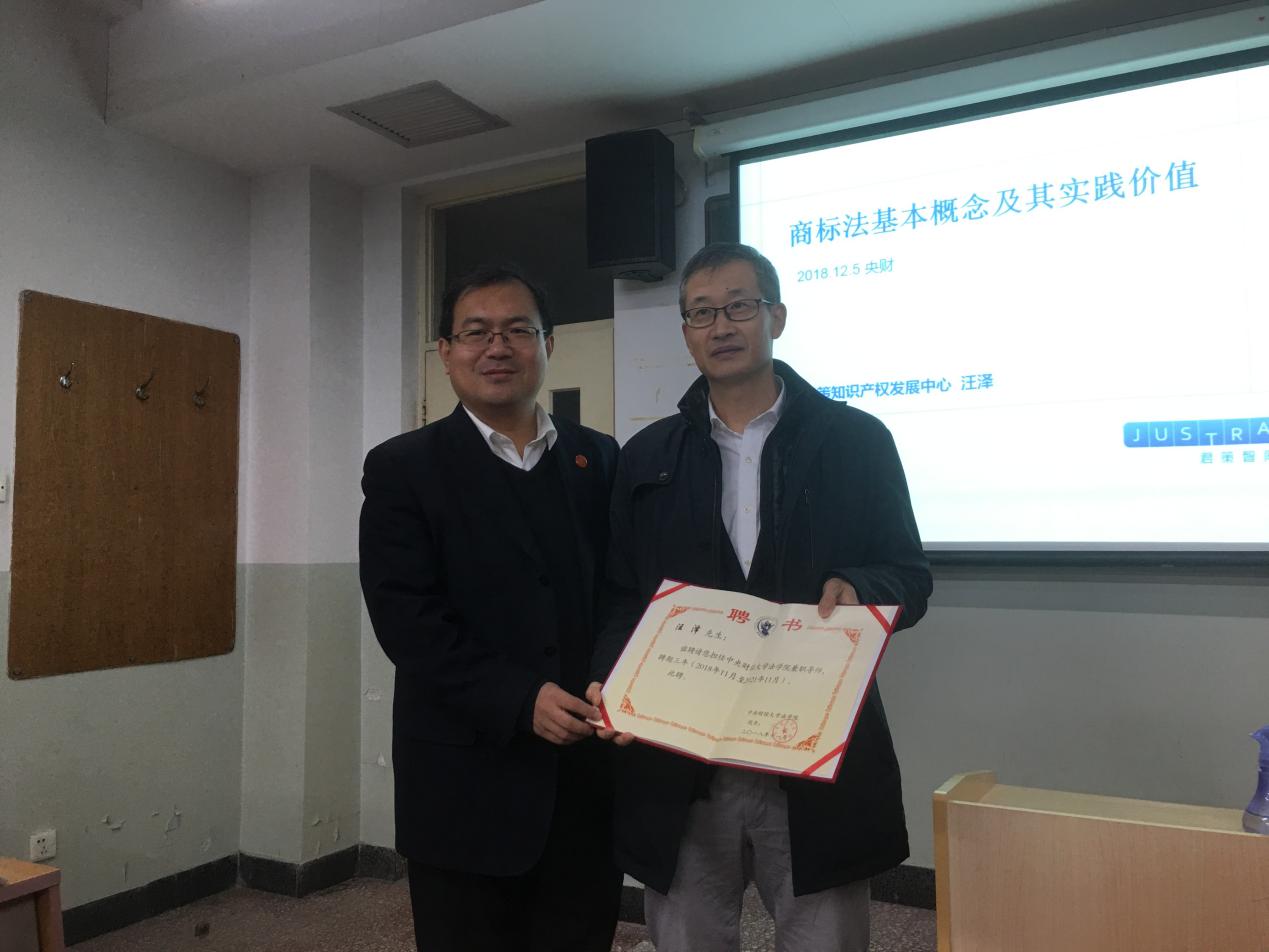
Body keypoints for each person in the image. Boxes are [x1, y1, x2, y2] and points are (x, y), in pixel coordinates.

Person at [587, 242, 932, 952]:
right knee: (687, 935)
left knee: (823, 937)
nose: (721, 326)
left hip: (809, 752)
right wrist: (613, 681)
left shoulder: (855, 441)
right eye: (701, 313)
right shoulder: (649, 457)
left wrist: (864, 588)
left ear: (775, 317)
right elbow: (622, 596)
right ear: (686, 332)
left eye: (739, 306)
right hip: (682, 758)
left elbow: (909, 574)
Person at [360, 264, 622, 952]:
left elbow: (620, 594)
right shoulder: (402, 468)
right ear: (446, 352)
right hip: (462, 783)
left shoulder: (598, 459)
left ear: (548, 344)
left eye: (517, 330)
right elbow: (406, 621)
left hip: (583, 776)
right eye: (476, 332)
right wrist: (518, 699)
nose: (497, 348)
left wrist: (615, 679)